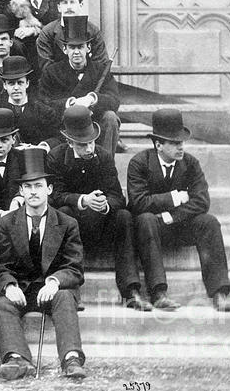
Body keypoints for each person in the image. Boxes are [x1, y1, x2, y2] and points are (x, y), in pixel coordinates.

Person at [0, 148, 86, 380]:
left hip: (53, 289)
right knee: (3, 302)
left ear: (49, 189)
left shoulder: (67, 223)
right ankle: (18, 358)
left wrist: (54, 282)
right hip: (22, 288)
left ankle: (71, 358)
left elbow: (74, 267)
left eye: (38, 186)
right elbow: (2, 265)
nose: (33, 191)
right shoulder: (6, 223)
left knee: (65, 297)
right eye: (28, 187)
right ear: (21, 191)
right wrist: (9, 285)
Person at [127, 109, 230, 312]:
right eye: (174, 142)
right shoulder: (139, 163)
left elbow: (202, 201)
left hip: (178, 226)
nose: (181, 147)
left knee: (209, 222)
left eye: (182, 142)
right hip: (149, 231)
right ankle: (158, 293)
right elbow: (138, 202)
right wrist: (174, 197)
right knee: (146, 218)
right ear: (158, 145)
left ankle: (219, 293)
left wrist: (170, 216)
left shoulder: (190, 163)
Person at [48, 105, 150, 310]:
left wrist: (105, 205)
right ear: (69, 142)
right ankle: (70, 290)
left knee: (123, 216)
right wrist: (82, 200)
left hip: (101, 226)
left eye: (92, 142)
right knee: (62, 214)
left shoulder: (103, 156)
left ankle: (131, 290)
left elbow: (117, 197)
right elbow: (55, 196)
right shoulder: (55, 157)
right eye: (82, 144)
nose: (89, 148)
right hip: (73, 227)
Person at [39, 15, 120, 156]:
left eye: (80, 47)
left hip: (94, 123)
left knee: (111, 117)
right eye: (72, 47)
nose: (76, 52)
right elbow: (43, 104)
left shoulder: (101, 70)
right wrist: (69, 104)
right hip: (65, 125)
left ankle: (106, 163)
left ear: (88, 48)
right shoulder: (52, 72)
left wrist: (93, 99)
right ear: (65, 49)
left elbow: (114, 100)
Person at [35, 0, 108, 71]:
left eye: (72, 2)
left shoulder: (93, 31)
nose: (69, 7)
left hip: (89, 79)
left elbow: (102, 63)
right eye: (65, 3)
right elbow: (47, 67)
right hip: (57, 79)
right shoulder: (47, 33)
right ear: (59, 7)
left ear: (81, 4)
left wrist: (83, 77)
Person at [0, 55, 61, 149]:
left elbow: (58, 137)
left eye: (20, 82)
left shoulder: (44, 111)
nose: (16, 88)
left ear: (27, 83)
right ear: (4, 85)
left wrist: (42, 146)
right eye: (11, 83)